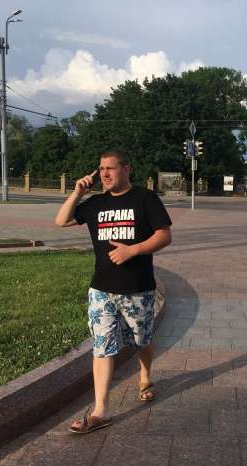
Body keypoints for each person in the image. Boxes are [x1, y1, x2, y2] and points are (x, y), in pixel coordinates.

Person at [55, 149, 172, 434]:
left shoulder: (145, 198)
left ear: (126, 169)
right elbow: (61, 221)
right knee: (102, 345)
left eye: (110, 168)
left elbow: (164, 235)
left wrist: (134, 250)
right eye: (101, 169)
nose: (104, 174)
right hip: (102, 289)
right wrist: (77, 192)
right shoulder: (95, 203)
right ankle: (100, 410)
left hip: (138, 288)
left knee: (142, 339)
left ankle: (145, 375)